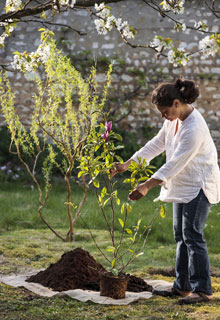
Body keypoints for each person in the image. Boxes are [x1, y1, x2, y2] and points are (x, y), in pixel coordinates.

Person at [111, 78, 220, 304]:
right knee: (180, 235)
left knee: (192, 235)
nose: (163, 116)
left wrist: (146, 186)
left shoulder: (195, 127)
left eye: (165, 111)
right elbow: (156, 144)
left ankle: (203, 290)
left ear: (178, 103)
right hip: (182, 184)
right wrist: (128, 163)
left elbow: (175, 163)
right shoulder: (173, 120)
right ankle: (182, 286)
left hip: (199, 185)